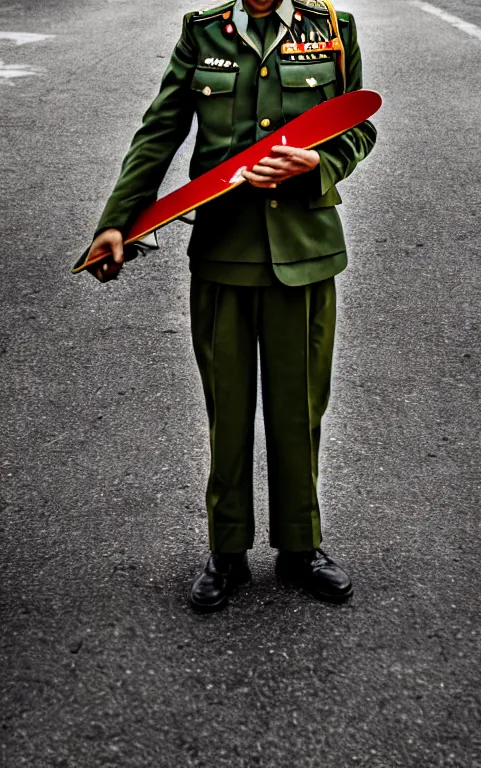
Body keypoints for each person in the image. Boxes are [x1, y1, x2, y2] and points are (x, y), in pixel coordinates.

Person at [85, 0, 377, 612]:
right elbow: (161, 129)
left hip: (304, 251)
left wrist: (318, 163)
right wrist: (118, 222)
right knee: (229, 407)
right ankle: (227, 550)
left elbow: (358, 125)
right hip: (224, 252)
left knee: (299, 410)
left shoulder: (334, 28)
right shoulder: (202, 32)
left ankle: (301, 547)